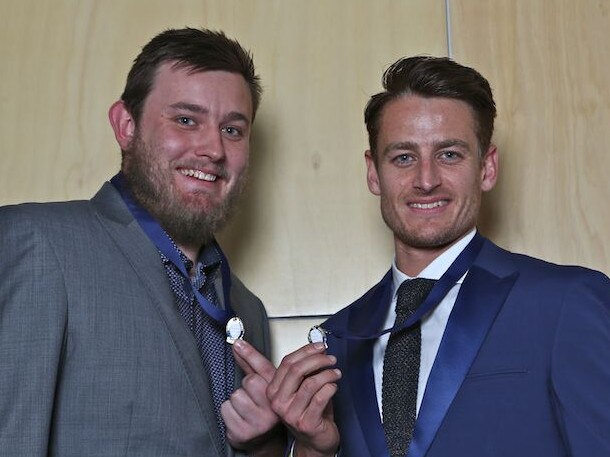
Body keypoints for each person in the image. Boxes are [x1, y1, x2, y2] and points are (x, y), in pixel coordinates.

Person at [265, 56, 610, 457]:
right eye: (404, 158)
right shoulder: (336, 339)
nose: (426, 180)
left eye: (449, 155)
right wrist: (312, 450)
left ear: (487, 167)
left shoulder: (566, 302)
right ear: (373, 173)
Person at [0, 28, 285, 456]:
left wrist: (265, 444)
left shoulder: (247, 311)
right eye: (186, 120)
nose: (213, 149)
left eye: (232, 130)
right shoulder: (39, 245)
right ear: (126, 126)